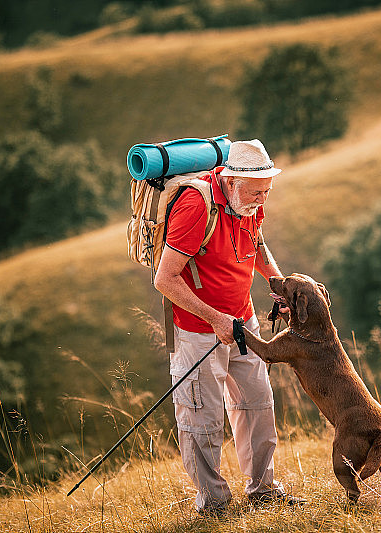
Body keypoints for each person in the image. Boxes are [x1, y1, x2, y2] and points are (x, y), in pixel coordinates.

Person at [153, 139, 304, 516]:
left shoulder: (250, 201)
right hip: (196, 330)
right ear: (231, 181)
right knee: (201, 418)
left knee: (257, 404)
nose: (261, 199)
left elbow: (258, 243)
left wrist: (277, 281)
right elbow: (165, 279)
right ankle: (214, 503)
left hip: (243, 321)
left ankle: (263, 489)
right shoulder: (196, 206)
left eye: (266, 191)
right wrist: (214, 318)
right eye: (255, 192)